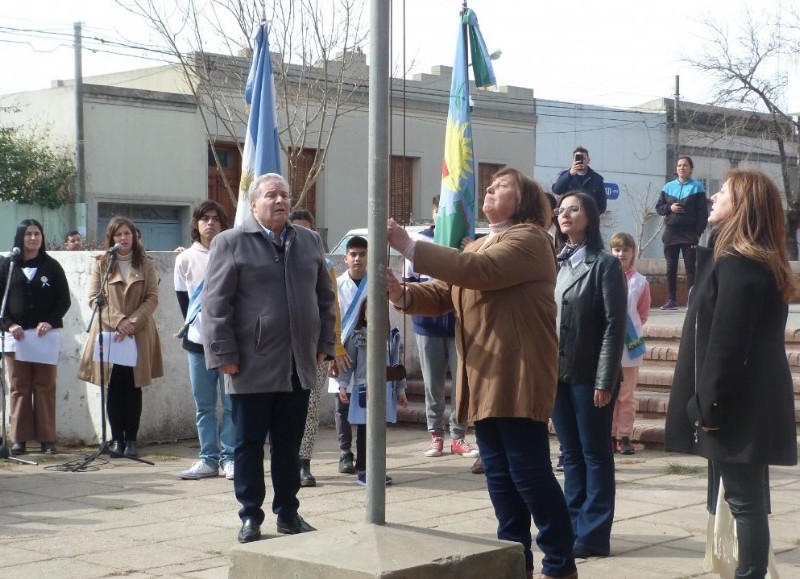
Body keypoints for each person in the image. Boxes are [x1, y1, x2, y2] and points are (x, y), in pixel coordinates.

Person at [387, 167, 577, 579]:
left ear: (523, 201)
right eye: (488, 188)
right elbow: (447, 291)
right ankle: (514, 561)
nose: (489, 191)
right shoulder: (482, 244)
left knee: (530, 476)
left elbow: (477, 273)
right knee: (500, 478)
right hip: (485, 376)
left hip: (517, 373)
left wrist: (410, 245)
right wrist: (403, 294)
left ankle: (560, 564)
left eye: (500, 187)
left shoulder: (529, 239)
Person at [665, 170, 797, 579]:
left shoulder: (740, 263)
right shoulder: (743, 259)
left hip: (735, 403)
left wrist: (708, 404)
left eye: (723, 191)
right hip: (744, 398)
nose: (715, 196)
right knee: (744, 496)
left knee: (744, 499)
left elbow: (727, 342)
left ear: (742, 204)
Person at [202, 173, 336, 544]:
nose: (280, 201)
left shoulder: (308, 241)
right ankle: (250, 516)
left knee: (289, 444)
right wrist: (224, 354)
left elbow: (326, 298)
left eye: (285, 195)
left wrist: (325, 341)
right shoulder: (231, 242)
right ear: (254, 203)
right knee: (247, 444)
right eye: (272, 195)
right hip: (250, 365)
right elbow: (214, 305)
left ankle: (289, 513)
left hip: (298, 364)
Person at [551, 191, 627, 560]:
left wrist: (605, 379)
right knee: (570, 453)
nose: (564, 214)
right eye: (561, 209)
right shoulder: (558, 261)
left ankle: (594, 533)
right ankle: (573, 522)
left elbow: (615, 327)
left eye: (574, 209)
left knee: (595, 453)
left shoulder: (605, 265)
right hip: (558, 374)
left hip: (589, 375)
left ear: (590, 217)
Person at [78, 216, 164, 458]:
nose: (124, 238)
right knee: (114, 387)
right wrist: (119, 321)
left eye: (128, 234)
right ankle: (116, 439)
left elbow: (152, 298)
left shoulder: (146, 263)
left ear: (135, 237)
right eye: (119, 235)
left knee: (133, 387)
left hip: (138, 333)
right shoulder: (102, 263)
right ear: (112, 239)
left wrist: (132, 322)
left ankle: (132, 440)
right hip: (110, 333)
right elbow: (94, 297)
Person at [403, 195, 479, 459]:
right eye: (439, 210)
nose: (444, 215)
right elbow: (409, 285)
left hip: (461, 325)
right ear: (434, 213)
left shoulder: (470, 242)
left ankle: (459, 436)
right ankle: (435, 434)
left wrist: (474, 249)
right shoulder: (420, 243)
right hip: (428, 325)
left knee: (461, 384)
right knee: (432, 384)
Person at [174, 200, 235, 481]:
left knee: (232, 403)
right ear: (196, 224)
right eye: (204, 218)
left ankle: (231, 457)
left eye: (215, 218)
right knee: (205, 405)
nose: (210, 223)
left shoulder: (233, 252)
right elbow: (184, 302)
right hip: (197, 342)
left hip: (230, 343)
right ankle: (208, 458)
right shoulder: (184, 258)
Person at [0, 219, 71, 455]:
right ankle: (19, 438)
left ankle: (46, 438)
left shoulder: (52, 266)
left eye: (37, 233)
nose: (33, 238)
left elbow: (63, 300)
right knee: (19, 386)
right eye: (28, 234)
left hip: (44, 338)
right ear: (20, 237)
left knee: (44, 386)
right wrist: (9, 325)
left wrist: (49, 321)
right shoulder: (7, 266)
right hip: (16, 339)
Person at [289, 209, 348, 487]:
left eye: (307, 231)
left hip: (315, 349)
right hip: (281, 349)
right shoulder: (276, 260)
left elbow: (331, 306)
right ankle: (285, 459)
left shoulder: (325, 265)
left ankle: (304, 462)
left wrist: (333, 347)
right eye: (296, 229)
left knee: (311, 407)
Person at [336, 298, 408, 486]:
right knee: (365, 430)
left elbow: (396, 366)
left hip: (385, 388)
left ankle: (377, 468)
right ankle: (363, 469)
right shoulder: (358, 336)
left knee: (379, 431)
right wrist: (342, 385)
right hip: (364, 388)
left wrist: (400, 389)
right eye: (370, 309)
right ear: (363, 313)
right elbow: (348, 365)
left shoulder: (391, 337)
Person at [609, 232, 650, 455]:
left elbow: (642, 313)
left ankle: (625, 435)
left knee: (626, 396)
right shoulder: (603, 276)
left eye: (625, 250)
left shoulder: (640, 281)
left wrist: (629, 330)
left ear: (632, 252)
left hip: (630, 344)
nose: (620, 254)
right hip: (607, 345)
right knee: (608, 394)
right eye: (616, 249)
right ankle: (610, 435)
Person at [331, 235, 369, 476]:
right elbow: (329, 318)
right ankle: (345, 453)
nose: (357, 259)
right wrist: (332, 352)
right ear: (345, 259)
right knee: (341, 404)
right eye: (353, 254)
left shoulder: (373, 284)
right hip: (341, 350)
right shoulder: (336, 284)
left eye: (362, 254)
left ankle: (365, 454)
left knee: (365, 403)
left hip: (366, 350)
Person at [655, 155, 708, 310]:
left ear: (690, 169)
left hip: (689, 234)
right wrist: (669, 208)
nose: (681, 168)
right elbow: (659, 208)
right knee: (671, 267)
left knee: (691, 268)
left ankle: (692, 300)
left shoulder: (697, 187)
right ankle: (671, 299)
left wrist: (697, 233)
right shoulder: (668, 187)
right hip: (671, 233)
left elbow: (703, 213)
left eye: (685, 165)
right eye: (679, 165)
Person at [552, 146, 607, 214]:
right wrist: (569, 175)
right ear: (573, 160)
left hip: (588, 218)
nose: (580, 161)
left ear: (588, 160)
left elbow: (602, 205)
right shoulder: (566, 176)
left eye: (583, 158)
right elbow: (556, 190)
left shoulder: (596, 179)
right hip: (569, 215)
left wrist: (592, 216)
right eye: (577, 159)